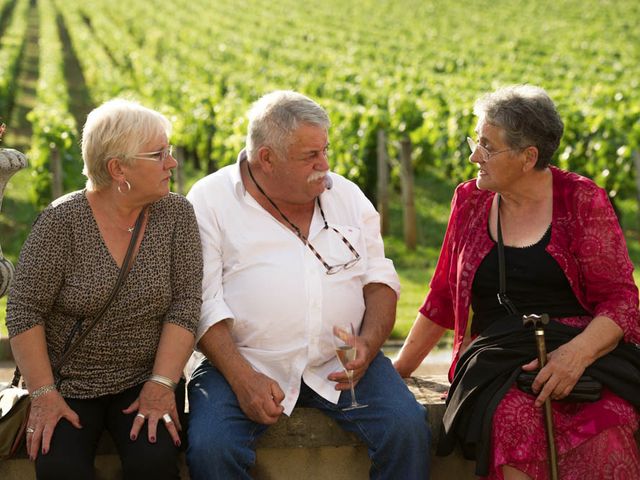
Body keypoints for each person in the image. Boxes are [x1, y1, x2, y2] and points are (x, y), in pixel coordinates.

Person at [394, 85, 640, 479]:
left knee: (608, 424)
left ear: (529, 157)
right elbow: (441, 295)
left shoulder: (581, 200)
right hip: (499, 360)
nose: (475, 155)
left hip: (584, 353)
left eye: (488, 147)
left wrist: (574, 357)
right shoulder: (469, 201)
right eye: (476, 141)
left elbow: (621, 301)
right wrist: (399, 370)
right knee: (512, 421)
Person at [185, 90, 430, 479]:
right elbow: (202, 302)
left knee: (408, 429)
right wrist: (243, 378)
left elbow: (379, 281)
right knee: (211, 448)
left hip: (342, 364)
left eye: (326, 150)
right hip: (242, 363)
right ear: (266, 158)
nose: (325, 165)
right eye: (310, 156)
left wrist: (368, 344)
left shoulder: (346, 195)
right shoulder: (210, 200)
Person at [6, 99, 203, 479]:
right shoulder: (60, 222)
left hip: (145, 376)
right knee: (59, 464)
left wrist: (162, 385)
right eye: (159, 154)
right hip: (69, 382)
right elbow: (24, 309)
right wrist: (44, 394)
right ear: (118, 169)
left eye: (171, 151)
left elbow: (184, 304)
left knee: (155, 461)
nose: (172, 163)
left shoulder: (177, 214)